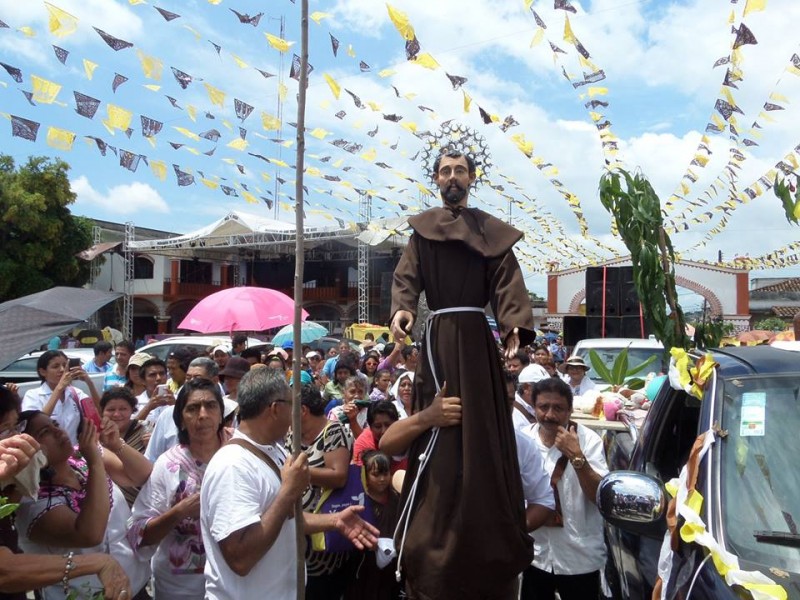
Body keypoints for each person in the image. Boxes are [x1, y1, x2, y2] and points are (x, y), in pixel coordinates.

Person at [389, 149, 535, 598]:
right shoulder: (422, 232)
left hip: (476, 338)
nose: (452, 177)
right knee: (442, 429)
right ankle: (435, 528)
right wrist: (402, 312)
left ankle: (484, 523)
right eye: (445, 171)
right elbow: (406, 280)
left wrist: (513, 327)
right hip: (439, 341)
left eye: (460, 170)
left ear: (472, 178)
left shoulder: (488, 231)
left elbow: (508, 283)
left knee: (482, 432)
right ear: (435, 178)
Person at [200, 368, 379, 600]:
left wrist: (334, 521)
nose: (295, 414)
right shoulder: (233, 466)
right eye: (292, 405)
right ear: (276, 409)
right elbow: (240, 558)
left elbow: (285, 520)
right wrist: (288, 492)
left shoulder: (275, 451)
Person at [15, 411, 153, 599]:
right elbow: (90, 535)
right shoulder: (32, 503)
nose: (58, 431)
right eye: (44, 432)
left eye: (55, 424)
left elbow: (141, 475)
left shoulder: (81, 457)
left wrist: (116, 444)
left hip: (135, 585)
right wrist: (95, 462)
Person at [128, 379, 228, 598]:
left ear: (221, 414)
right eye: (192, 408)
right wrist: (179, 511)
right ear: (181, 420)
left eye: (211, 406)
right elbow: (139, 532)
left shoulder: (239, 454)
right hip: (180, 589)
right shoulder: (168, 464)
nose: (203, 415)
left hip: (233, 583)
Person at [519, 378, 608, 600]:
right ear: (534, 407)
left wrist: (576, 457)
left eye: (558, 408)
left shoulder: (589, 441)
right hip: (535, 555)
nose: (549, 415)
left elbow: (599, 497)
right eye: (543, 407)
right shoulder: (522, 441)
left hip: (579, 558)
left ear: (569, 410)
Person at [287, 384, 353, 599]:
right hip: (297, 538)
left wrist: (298, 473)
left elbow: (339, 476)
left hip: (324, 544)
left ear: (302, 410)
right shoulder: (291, 433)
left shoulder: (333, 431)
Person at [343, 450, 402, 600]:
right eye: (376, 475)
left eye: (385, 473)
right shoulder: (360, 501)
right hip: (364, 563)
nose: (382, 479)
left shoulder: (397, 498)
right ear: (365, 476)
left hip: (391, 562)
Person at [145, 357, 219, 463]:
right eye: (188, 378)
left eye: (198, 378)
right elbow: (151, 457)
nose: (191, 383)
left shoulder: (229, 411)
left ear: (215, 381)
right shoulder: (168, 415)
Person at [21, 350, 101, 445]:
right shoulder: (33, 395)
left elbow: (99, 411)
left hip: (74, 454)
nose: (62, 370)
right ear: (43, 372)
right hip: (49, 454)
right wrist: (60, 388)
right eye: (55, 366)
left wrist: (89, 383)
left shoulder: (75, 393)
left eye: (65, 365)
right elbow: (35, 425)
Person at [100, 388, 150, 506]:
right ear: (102, 411)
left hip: (141, 502)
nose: (117, 414)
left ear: (132, 410)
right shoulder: (96, 436)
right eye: (111, 409)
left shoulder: (147, 431)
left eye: (123, 409)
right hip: (109, 505)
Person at [352, 401, 404, 473]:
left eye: (388, 425)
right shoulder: (363, 444)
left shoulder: (406, 437)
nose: (384, 431)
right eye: (378, 426)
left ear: (397, 423)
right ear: (370, 427)